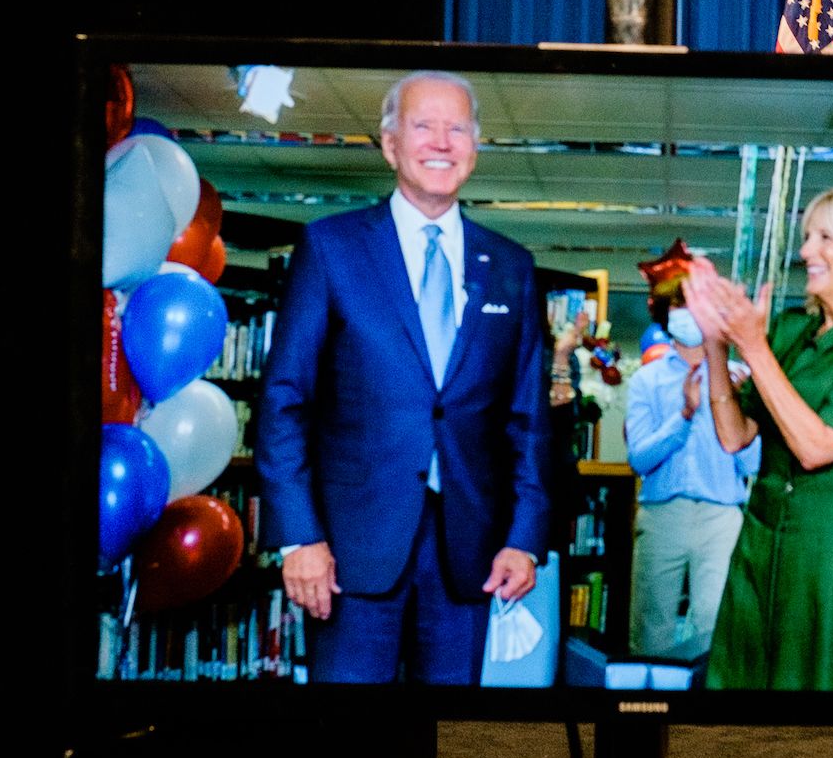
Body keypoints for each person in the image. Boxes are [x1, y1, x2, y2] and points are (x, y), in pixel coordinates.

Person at [255, 70, 553, 684]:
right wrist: (298, 537)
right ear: (391, 145)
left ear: (476, 145)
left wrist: (524, 538)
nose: (442, 142)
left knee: (451, 747)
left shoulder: (513, 268)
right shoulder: (332, 247)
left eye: (458, 128)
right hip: (346, 556)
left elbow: (529, 421)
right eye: (424, 126)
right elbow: (285, 401)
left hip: (471, 556)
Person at [684, 186, 833, 692]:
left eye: (825, 237)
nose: (807, 251)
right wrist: (714, 341)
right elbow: (734, 435)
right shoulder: (793, 330)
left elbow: (817, 447)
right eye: (807, 237)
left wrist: (753, 345)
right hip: (765, 537)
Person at [623, 302, 760, 655]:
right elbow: (639, 459)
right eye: (683, 307)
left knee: (715, 627)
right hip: (663, 514)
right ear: (668, 315)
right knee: (651, 625)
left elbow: (752, 463)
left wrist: (740, 408)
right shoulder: (646, 379)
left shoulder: (739, 377)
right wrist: (684, 414)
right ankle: (646, 704)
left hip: (722, 516)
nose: (693, 315)